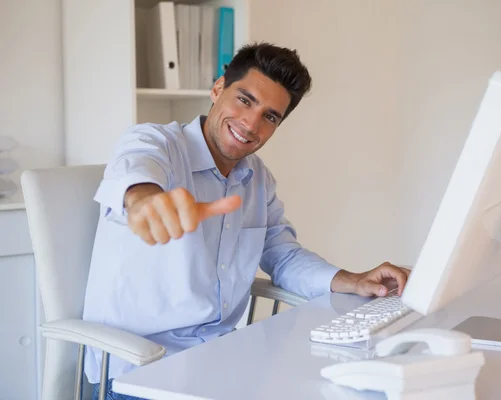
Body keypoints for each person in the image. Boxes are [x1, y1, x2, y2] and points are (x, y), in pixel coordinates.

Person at [83, 42, 411, 400]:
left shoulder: (257, 178)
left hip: (218, 362)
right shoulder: (156, 143)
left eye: (270, 116)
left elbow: (281, 254)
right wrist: (144, 199)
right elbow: (136, 168)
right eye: (245, 99)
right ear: (218, 88)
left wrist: (351, 280)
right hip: (139, 375)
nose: (251, 123)